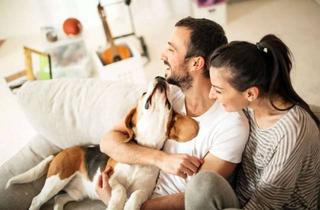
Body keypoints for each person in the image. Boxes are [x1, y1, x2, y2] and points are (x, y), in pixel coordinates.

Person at [96, 17, 249, 210]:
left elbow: (197, 196)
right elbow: (108, 142)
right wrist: (160, 159)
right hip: (132, 192)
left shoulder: (231, 125)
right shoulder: (167, 93)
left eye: (171, 49)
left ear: (196, 63)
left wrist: (125, 205)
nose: (162, 54)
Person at [185, 34, 320, 210]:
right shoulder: (248, 105)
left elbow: (266, 204)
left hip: (270, 206)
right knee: (201, 184)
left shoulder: (291, 131)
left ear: (250, 94)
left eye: (218, 90)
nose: (211, 95)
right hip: (241, 196)